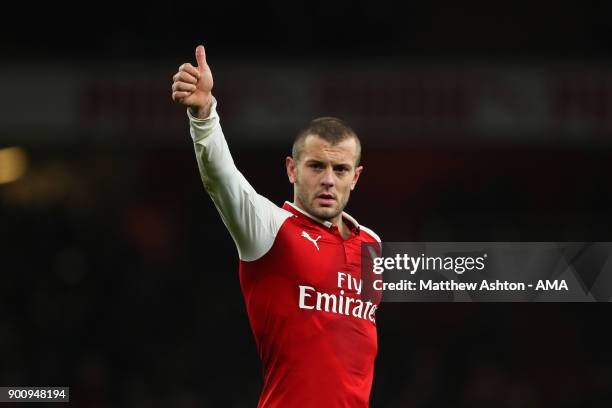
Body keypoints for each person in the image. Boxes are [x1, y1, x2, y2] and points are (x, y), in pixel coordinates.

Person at [172, 44, 382, 408]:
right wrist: (205, 115)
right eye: (316, 166)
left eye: (340, 169)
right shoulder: (270, 230)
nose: (329, 180)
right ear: (291, 169)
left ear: (356, 177)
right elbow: (222, 181)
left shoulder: (372, 244)